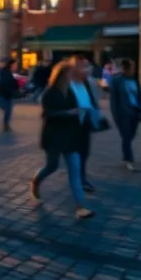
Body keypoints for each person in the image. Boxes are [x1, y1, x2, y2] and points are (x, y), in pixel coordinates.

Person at [29, 61, 94, 219]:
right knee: (52, 166)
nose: (73, 76)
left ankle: (80, 206)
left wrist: (81, 114)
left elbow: (77, 109)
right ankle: (36, 181)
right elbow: (47, 114)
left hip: (70, 135)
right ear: (62, 75)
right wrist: (68, 113)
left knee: (75, 170)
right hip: (54, 136)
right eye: (70, 73)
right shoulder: (50, 92)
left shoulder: (70, 92)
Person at [70, 57, 107, 193]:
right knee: (53, 164)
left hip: (84, 123)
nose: (87, 69)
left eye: (87, 66)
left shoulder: (88, 83)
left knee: (83, 153)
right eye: (83, 67)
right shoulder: (66, 83)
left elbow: (93, 100)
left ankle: (81, 179)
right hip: (70, 124)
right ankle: (37, 180)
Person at [107, 59, 141, 171]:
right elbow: (114, 100)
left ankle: (127, 155)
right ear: (125, 69)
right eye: (132, 68)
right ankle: (128, 159)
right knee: (126, 136)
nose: (133, 70)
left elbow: (140, 95)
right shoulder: (117, 81)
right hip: (123, 113)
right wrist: (116, 115)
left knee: (131, 135)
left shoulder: (135, 80)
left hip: (135, 111)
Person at [0, 58, 21, 132]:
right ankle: (6, 125)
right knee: (7, 110)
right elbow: (9, 83)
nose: (16, 67)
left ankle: (6, 125)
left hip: (5, 94)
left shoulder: (7, 73)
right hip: (5, 94)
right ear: (11, 65)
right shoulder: (7, 73)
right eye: (15, 65)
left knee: (8, 110)